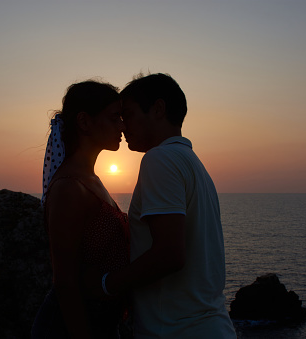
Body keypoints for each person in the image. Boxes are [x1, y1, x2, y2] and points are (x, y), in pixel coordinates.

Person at [93, 73, 237, 338]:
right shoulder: (192, 163)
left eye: (130, 114)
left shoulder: (160, 159)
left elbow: (169, 254)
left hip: (177, 330)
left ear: (158, 109)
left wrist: (105, 285)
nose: (123, 126)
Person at [32, 80, 129, 339]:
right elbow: (64, 283)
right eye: (114, 118)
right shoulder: (69, 188)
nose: (122, 125)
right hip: (69, 328)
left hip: (100, 321)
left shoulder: (90, 179)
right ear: (84, 122)